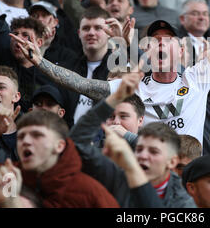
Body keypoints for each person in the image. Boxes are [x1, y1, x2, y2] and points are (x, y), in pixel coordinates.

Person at [14, 0, 210, 146]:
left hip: (187, 177)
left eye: (167, 39)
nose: (160, 43)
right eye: (154, 40)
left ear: (181, 50)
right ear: (146, 51)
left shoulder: (197, 78)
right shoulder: (133, 86)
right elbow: (81, 84)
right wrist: (40, 61)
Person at [0, 92, 120, 208]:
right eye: (22, 136)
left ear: (60, 145)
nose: (26, 141)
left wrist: (10, 199)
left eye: (37, 135)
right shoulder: (10, 174)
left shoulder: (90, 193)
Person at [69, 71, 196, 207]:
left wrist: (133, 166)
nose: (143, 156)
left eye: (153, 152)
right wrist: (114, 98)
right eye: (139, 149)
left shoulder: (184, 199)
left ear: (172, 162)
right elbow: (75, 143)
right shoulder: (118, 170)